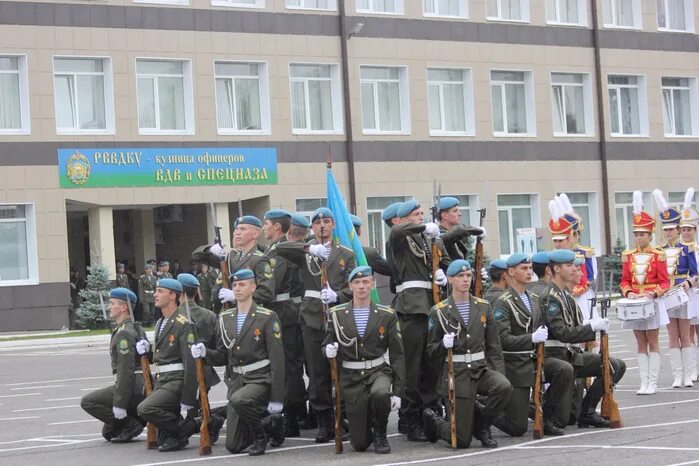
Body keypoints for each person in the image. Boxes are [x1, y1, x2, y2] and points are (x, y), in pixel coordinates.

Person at [276, 207, 355, 443]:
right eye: (318, 223)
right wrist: (309, 247)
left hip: (339, 316)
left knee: (341, 368)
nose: (323, 226)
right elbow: (280, 248)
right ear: (312, 228)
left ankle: (344, 415)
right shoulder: (306, 252)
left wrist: (338, 295)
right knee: (317, 369)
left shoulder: (345, 254)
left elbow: (356, 284)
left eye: (327, 222)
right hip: (311, 316)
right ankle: (324, 420)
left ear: (333, 225)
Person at [191, 269, 285, 456]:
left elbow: (277, 359)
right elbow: (222, 356)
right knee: (233, 445)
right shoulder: (225, 318)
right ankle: (271, 424)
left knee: (239, 399)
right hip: (237, 381)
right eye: (234, 285)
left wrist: (277, 397)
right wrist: (204, 352)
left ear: (253, 287)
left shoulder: (267, 316)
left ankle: (260, 437)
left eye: (242, 284)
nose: (237, 288)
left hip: (260, 379)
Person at [422, 259, 512, 449]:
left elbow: (494, 347)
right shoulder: (438, 312)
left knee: (503, 387)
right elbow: (430, 351)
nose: (465, 280)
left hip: (480, 369)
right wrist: (442, 345)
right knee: (462, 441)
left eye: (468, 275)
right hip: (457, 372)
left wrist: (500, 374)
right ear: (450, 279)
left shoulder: (483, 306)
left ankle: (483, 427)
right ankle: (435, 422)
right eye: (460, 276)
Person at [323, 266, 405, 454]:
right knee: (359, 444)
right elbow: (327, 344)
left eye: (366, 282)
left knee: (381, 394)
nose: (362, 286)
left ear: (373, 285)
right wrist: (327, 350)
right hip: (351, 377)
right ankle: (366, 424)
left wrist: (399, 391)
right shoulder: (336, 314)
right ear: (350, 286)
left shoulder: (387, 314)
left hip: (378, 371)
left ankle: (380, 434)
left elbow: (397, 354)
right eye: (357, 282)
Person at [387, 200, 451, 441]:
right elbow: (396, 231)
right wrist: (421, 228)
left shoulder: (432, 238)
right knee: (412, 365)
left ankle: (429, 412)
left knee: (432, 362)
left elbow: (445, 261)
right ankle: (409, 417)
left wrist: (444, 273)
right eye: (415, 214)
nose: (421, 217)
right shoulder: (400, 237)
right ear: (403, 218)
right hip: (411, 306)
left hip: (433, 303)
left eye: (422, 213)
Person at [542, 249, 626, 427]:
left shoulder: (566, 295)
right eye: (569, 265)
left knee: (615, 365)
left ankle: (587, 411)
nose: (574, 269)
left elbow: (574, 328)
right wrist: (592, 327)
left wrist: (592, 327)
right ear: (556, 269)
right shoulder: (550, 297)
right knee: (562, 420)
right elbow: (562, 333)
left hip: (570, 355)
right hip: (554, 356)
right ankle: (542, 410)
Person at [492, 253, 571, 437]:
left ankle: (546, 417)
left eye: (529, 268)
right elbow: (502, 339)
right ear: (510, 272)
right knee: (517, 428)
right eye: (523, 269)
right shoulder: (503, 302)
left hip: (535, 360)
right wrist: (531, 338)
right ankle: (481, 409)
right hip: (516, 365)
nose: (529, 272)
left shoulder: (534, 298)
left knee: (564, 369)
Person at [136, 278, 197, 452]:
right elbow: (160, 356)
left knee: (146, 409)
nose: (155, 294)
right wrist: (147, 352)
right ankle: (182, 431)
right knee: (163, 439)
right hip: (162, 381)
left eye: (160, 291)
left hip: (175, 381)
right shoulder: (160, 323)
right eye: (156, 291)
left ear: (172, 296)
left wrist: (188, 398)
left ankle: (186, 428)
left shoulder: (183, 324)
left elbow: (190, 364)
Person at [81, 288, 147, 443]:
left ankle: (131, 424)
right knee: (109, 433)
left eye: (112, 303)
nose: (109, 307)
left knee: (88, 401)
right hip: (139, 384)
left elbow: (126, 370)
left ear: (123, 307)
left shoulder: (124, 333)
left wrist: (120, 403)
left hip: (133, 387)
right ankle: (135, 418)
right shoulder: (134, 327)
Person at [620, 191, 670, 395]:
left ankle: (653, 381)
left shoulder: (658, 255)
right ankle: (644, 381)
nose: (638, 237)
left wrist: (654, 294)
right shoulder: (628, 256)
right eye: (636, 234)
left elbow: (665, 282)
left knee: (653, 340)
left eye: (642, 234)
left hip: (652, 302)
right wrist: (629, 292)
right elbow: (624, 280)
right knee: (640, 342)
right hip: (635, 303)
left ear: (650, 235)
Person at [262, 209, 306, 437]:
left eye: (266, 224)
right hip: (279, 312)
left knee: (288, 368)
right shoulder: (273, 249)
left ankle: (293, 416)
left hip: (283, 314)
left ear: (277, 227)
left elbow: (273, 284)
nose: (264, 228)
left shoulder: (280, 251)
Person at [653, 189, 696, 387]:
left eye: (671, 229)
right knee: (672, 335)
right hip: (666, 294)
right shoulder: (660, 251)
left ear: (678, 229)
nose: (668, 232)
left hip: (683, 292)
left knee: (685, 334)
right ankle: (677, 376)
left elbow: (696, 273)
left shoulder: (688, 249)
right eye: (666, 229)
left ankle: (688, 374)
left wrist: (688, 283)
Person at [176, 273, 224, 442]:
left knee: (193, 413)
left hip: (184, 370)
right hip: (205, 367)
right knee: (198, 407)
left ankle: (212, 422)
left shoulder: (175, 315)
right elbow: (216, 344)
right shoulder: (209, 314)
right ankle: (210, 421)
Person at [436, 196, 485, 261]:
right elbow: (458, 231)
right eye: (455, 211)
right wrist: (479, 230)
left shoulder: (457, 237)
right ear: (445, 215)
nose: (460, 214)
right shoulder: (440, 235)